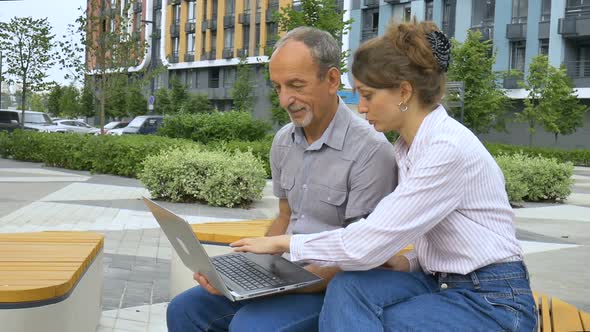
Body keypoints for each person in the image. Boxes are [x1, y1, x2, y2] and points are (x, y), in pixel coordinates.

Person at [231, 20, 537, 331]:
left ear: (404, 92)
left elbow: (367, 243)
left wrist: (285, 244)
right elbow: (453, 241)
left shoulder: (446, 149)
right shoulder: (409, 147)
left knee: (375, 320)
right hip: (443, 282)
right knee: (349, 287)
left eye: (367, 95)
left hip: (493, 301)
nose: (360, 108)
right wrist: (409, 261)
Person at [166, 27, 397, 332]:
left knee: (250, 327)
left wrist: (286, 286)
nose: (285, 99)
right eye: (277, 87)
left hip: (332, 288)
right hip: (283, 275)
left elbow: (361, 255)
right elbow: (285, 216)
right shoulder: (283, 142)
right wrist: (243, 270)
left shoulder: (371, 151)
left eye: (296, 85)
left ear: (331, 80)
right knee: (183, 310)